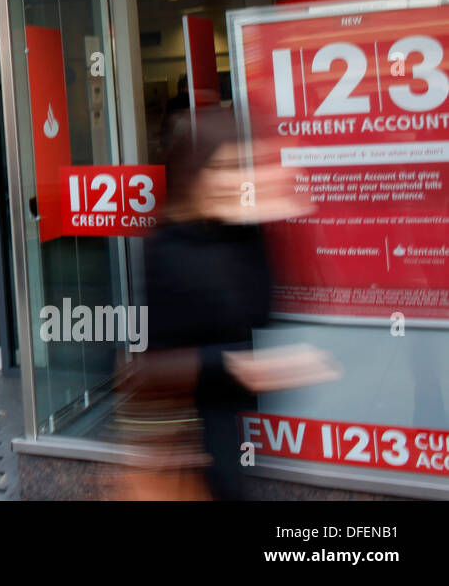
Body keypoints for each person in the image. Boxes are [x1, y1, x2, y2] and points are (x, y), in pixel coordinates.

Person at [125, 108, 338, 500]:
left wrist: (271, 218)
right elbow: (148, 366)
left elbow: (259, 311)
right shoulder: (168, 248)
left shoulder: (242, 233)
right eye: (222, 166)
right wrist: (235, 364)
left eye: (243, 165)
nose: (235, 179)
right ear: (194, 172)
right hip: (186, 439)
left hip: (232, 430)